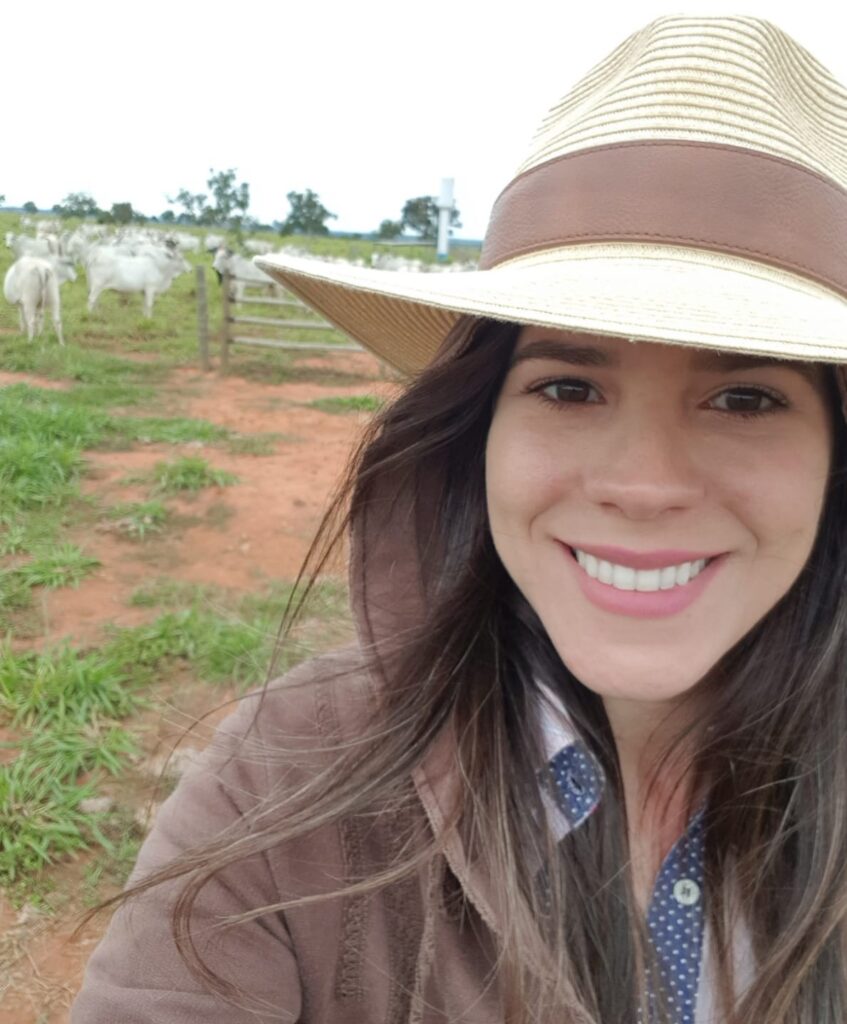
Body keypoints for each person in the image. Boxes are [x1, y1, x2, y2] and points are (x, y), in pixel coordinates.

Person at [70, 15, 847, 1024]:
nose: (644, 484)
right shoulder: (288, 771)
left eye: (744, 398)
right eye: (567, 386)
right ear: (478, 426)